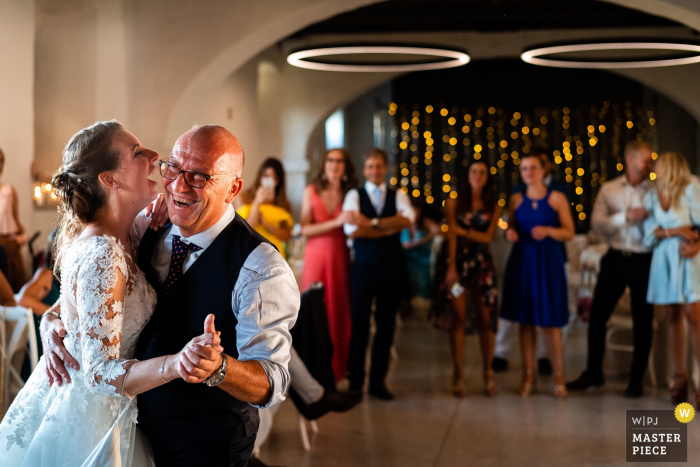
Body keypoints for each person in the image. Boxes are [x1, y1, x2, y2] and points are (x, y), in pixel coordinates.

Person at [39, 124, 299, 466]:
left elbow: (271, 380)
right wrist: (54, 318)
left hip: (205, 445)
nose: (177, 185)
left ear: (233, 188)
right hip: (132, 432)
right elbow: (96, 293)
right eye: (173, 167)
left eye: (198, 177)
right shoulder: (145, 225)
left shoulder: (260, 267)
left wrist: (218, 368)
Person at [0, 121, 224, 466]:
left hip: (99, 409)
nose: (153, 155)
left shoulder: (115, 236)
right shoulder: (104, 252)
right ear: (110, 179)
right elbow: (99, 373)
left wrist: (52, 316)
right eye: (137, 153)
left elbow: (84, 308)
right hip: (92, 422)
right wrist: (177, 364)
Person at [567, 141, 655, 398]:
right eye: (646, 160)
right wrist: (624, 217)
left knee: (643, 320)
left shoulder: (656, 190)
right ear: (630, 160)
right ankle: (594, 372)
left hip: (644, 260)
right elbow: (597, 225)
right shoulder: (610, 189)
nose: (649, 165)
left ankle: (636, 381)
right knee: (597, 316)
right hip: (615, 257)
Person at [342, 148, 415, 400]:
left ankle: (377, 382)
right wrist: (388, 226)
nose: (375, 170)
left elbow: (407, 221)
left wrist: (371, 223)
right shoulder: (354, 195)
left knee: (386, 325)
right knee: (360, 325)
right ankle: (355, 381)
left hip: (392, 269)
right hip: (363, 267)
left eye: (379, 166)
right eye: (370, 166)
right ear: (365, 170)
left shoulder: (399, 194)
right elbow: (352, 231)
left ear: (386, 169)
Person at [500, 153, 575, 399]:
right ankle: (528, 374)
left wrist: (550, 230)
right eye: (523, 169)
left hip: (548, 262)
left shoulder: (556, 198)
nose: (528, 172)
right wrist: (508, 234)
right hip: (523, 262)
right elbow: (509, 228)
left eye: (533, 167)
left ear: (543, 170)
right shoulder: (515, 199)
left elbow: (569, 232)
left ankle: (558, 375)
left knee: (550, 322)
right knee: (525, 320)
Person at [433, 160, 501, 397]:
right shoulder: (453, 202)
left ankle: (488, 374)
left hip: (482, 268)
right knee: (459, 316)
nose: (478, 175)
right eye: (474, 171)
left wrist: (463, 231)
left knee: (485, 317)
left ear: (487, 178)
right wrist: (451, 268)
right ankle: (458, 374)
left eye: (483, 172)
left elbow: (488, 237)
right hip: (459, 266)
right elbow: (451, 237)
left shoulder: (493, 206)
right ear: (467, 174)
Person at [643, 152, 700, 405]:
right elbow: (648, 233)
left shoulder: (692, 187)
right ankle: (679, 375)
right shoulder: (652, 194)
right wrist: (676, 230)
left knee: (694, 317)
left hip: (688, 260)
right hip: (664, 261)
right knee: (673, 316)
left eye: (658, 165)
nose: (654, 168)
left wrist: (697, 244)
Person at [300, 148, 358, 382]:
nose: (334, 165)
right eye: (330, 160)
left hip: (339, 255)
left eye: (339, 161)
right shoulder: (310, 191)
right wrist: (337, 221)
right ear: (324, 164)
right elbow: (305, 228)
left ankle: (337, 368)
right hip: (316, 255)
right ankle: (313, 371)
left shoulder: (351, 194)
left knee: (338, 309)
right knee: (315, 309)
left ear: (345, 166)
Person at [235, 157, 293, 259]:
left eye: (274, 178)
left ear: (278, 181)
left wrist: (267, 225)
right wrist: (257, 202)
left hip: (275, 255)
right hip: (250, 254)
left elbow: (287, 236)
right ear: (260, 176)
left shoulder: (282, 204)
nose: (269, 181)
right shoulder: (243, 196)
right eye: (266, 176)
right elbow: (245, 230)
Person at [16, 229, 60, 356]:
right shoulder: (46, 274)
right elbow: (22, 299)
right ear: (53, 252)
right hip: (45, 346)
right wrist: (52, 312)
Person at [0, 147, 29, 292]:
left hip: (8, 247)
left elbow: (16, 221)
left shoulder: (9, 191)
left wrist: (21, 238)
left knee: (11, 292)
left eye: (0, 161)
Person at [401, 197, 440, 301]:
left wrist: (422, 240)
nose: (414, 212)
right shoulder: (403, 221)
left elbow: (438, 231)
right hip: (406, 260)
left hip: (422, 261)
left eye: (416, 209)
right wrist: (404, 245)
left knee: (422, 282)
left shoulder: (424, 221)